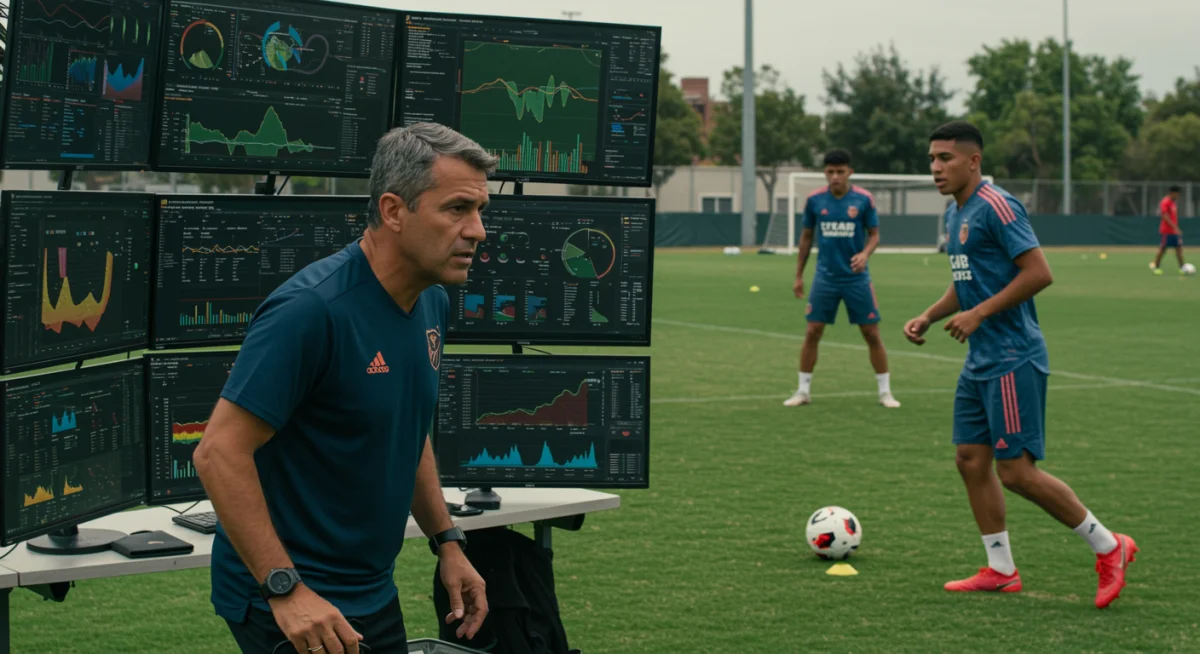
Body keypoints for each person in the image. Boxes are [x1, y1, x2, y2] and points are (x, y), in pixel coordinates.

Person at [193, 122, 495, 653]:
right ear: (394, 210)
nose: (477, 230)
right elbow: (218, 453)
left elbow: (407, 424)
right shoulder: (312, 311)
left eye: (479, 211)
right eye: (457, 209)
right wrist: (286, 590)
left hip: (370, 590)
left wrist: (447, 541)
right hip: (291, 598)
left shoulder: (432, 300)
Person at [904, 120, 1137, 608]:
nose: (936, 168)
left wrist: (980, 312)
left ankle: (1110, 546)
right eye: (931, 159)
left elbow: (1039, 273)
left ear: (974, 161)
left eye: (945, 158)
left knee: (1017, 472)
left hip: (1013, 358)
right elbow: (966, 279)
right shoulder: (956, 213)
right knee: (970, 460)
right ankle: (1001, 570)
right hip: (980, 359)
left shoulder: (998, 205)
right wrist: (930, 314)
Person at [786, 149, 900, 408]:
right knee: (813, 331)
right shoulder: (815, 200)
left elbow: (874, 235)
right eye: (830, 172)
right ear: (825, 173)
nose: (835, 177)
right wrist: (798, 276)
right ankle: (803, 390)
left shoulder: (863, 200)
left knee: (871, 333)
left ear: (850, 172)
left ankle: (885, 392)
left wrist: (865, 254)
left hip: (856, 279)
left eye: (840, 171)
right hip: (825, 277)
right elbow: (806, 238)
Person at [1150, 185, 1186, 275]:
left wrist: (1175, 228)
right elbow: (1165, 216)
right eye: (1177, 194)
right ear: (1172, 193)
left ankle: (1182, 268)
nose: (1178, 196)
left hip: (1174, 231)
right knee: (1163, 249)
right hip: (1167, 231)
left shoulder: (1173, 203)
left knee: (1179, 249)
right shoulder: (1165, 202)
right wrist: (1175, 227)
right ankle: (1156, 267)